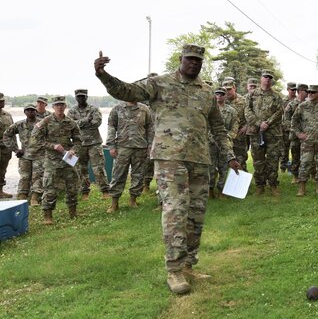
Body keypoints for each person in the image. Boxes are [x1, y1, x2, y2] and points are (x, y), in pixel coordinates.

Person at [94, 45, 240, 295]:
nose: (194, 64)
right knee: (175, 209)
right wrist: (103, 75)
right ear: (181, 60)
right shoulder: (159, 84)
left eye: (198, 60)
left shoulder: (206, 92)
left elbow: (217, 127)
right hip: (169, 158)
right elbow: (127, 90)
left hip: (199, 159)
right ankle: (174, 270)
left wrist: (230, 156)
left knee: (196, 212)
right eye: (190, 59)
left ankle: (188, 264)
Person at [33, 96, 81, 225]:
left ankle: (73, 212)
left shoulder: (71, 122)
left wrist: (73, 150)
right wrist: (52, 146)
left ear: (65, 106)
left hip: (68, 158)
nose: (60, 107)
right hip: (52, 160)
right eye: (57, 105)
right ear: (53, 107)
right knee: (50, 188)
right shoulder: (46, 121)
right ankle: (47, 216)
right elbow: (36, 139)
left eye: (62, 105)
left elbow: (78, 141)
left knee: (72, 186)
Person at [105, 98, 153, 212]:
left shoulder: (145, 109)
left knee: (138, 175)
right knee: (118, 175)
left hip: (140, 147)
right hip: (122, 147)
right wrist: (111, 145)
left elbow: (150, 128)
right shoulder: (117, 109)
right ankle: (114, 203)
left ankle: (133, 200)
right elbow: (111, 126)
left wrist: (150, 146)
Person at [245, 71, 284, 196]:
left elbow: (279, 111)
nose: (267, 79)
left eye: (269, 77)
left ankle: (273, 185)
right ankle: (260, 185)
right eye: (265, 77)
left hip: (272, 133)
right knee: (258, 160)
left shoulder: (276, 96)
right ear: (261, 78)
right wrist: (258, 123)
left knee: (273, 160)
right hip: (256, 132)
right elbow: (247, 110)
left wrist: (268, 122)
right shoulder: (251, 94)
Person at [67, 89, 110, 199]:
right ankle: (85, 192)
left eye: (83, 96)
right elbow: (71, 125)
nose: (81, 98)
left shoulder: (94, 109)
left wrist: (79, 122)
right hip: (78, 144)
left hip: (94, 143)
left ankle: (105, 191)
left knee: (98, 168)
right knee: (81, 169)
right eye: (79, 96)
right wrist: (87, 120)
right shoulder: (71, 111)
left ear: (86, 97)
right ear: (76, 98)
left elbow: (96, 123)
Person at [3, 103, 39, 200]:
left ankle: (35, 197)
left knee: (38, 177)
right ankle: (22, 197)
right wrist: (15, 149)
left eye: (32, 110)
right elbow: (6, 135)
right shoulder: (20, 124)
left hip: (39, 156)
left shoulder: (42, 124)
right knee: (24, 177)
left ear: (36, 112)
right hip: (25, 156)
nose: (30, 112)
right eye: (28, 110)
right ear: (25, 112)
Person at [208, 88, 237, 199]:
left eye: (222, 94)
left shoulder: (232, 111)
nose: (219, 96)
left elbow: (234, 127)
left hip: (225, 143)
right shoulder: (209, 110)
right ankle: (210, 189)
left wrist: (226, 138)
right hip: (211, 143)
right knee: (210, 168)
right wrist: (212, 138)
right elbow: (206, 127)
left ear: (225, 96)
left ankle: (222, 190)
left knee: (224, 167)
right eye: (217, 94)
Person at [223, 79, 249, 170]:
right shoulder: (221, 100)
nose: (227, 92)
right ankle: (226, 182)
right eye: (225, 90)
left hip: (239, 135)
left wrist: (247, 126)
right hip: (225, 135)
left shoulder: (243, 101)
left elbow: (250, 115)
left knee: (241, 159)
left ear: (234, 88)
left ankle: (242, 182)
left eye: (229, 89)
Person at [0, 93, 12, 198]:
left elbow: (12, 132)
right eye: (0, 101)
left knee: (3, 169)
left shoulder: (7, 115)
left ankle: (0, 190)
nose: (2, 102)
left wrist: (14, 147)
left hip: (5, 147)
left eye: (3, 100)